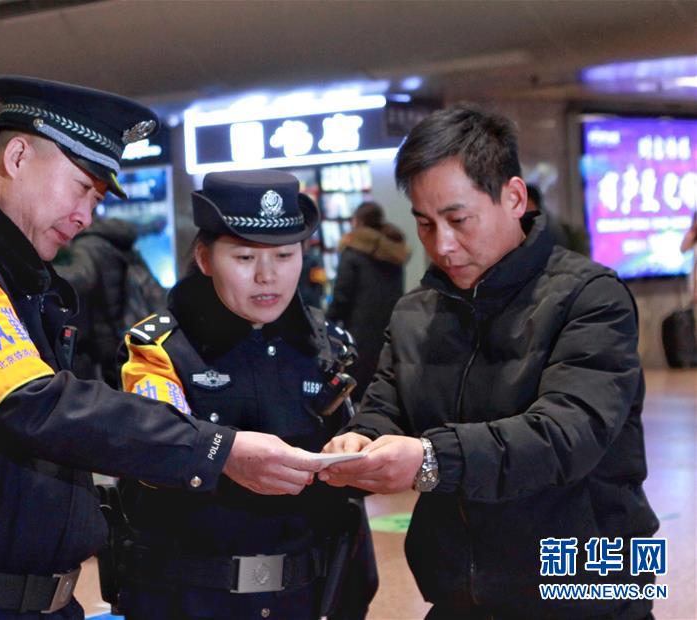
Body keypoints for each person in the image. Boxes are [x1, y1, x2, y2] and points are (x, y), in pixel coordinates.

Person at [0, 76, 324, 619]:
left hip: (33, 600)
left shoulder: (16, 275)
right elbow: (28, 402)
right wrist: (216, 448)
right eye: (81, 188)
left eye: (96, 199)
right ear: (18, 156)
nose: (86, 216)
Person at [321, 105, 658, 619]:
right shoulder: (416, 314)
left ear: (514, 197)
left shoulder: (591, 298)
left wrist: (432, 458)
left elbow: (565, 436)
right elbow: (385, 409)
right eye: (425, 224)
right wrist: (360, 442)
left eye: (459, 220)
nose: (442, 244)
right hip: (462, 593)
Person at [115, 170, 378, 619]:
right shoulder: (159, 349)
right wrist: (224, 456)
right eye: (244, 257)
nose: (267, 276)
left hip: (304, 598)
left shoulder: (328, 347)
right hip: (188, 601)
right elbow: (155, 452)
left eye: (284, 255)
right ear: (204, 258)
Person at [54, 217, 166, 385]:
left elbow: (83, 276)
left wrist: (44, 273)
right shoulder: (112, 238)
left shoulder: (87, 245)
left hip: (106, 332)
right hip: (128, 324)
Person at [327, 201, 409, 401]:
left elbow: (342, 297)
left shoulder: (353, 252)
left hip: (359, 334)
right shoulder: (393, 253)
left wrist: (327, 323)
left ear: (357, 221)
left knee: (357, 393)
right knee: (385, 391)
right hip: (390, 331)